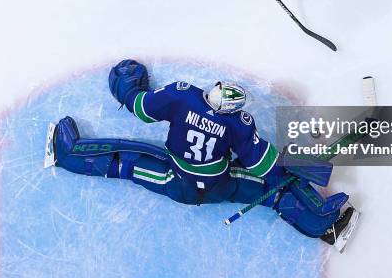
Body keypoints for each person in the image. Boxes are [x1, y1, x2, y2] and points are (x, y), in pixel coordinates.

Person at [45, 59, 358, 250]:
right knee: (272, 192)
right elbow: (262, 163)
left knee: (126, 163)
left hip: (175, 179)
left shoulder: (185, 96)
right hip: (218, 186)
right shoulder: (238, 122)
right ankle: (325, 226)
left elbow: (142, 107)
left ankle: (65, 154)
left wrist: (127, 91)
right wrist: (292, 166)